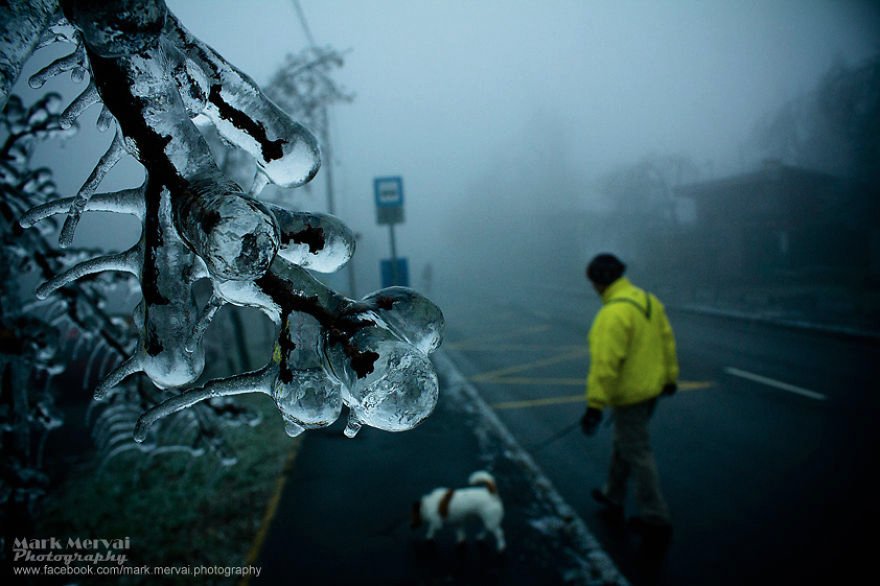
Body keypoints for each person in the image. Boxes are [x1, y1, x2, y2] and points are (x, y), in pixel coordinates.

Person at [580, 253, 678, 542]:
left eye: (593, 282)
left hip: (630, 395)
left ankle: (655, 516)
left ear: (601, 281)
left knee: (637, 451)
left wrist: (594, 406)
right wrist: (670, 377)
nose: (593, 288)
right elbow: (666, 340)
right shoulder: (648, 300)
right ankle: (613, 495)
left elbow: (605, 366)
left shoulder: (612, 314)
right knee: (625, 442)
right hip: (651, 390)